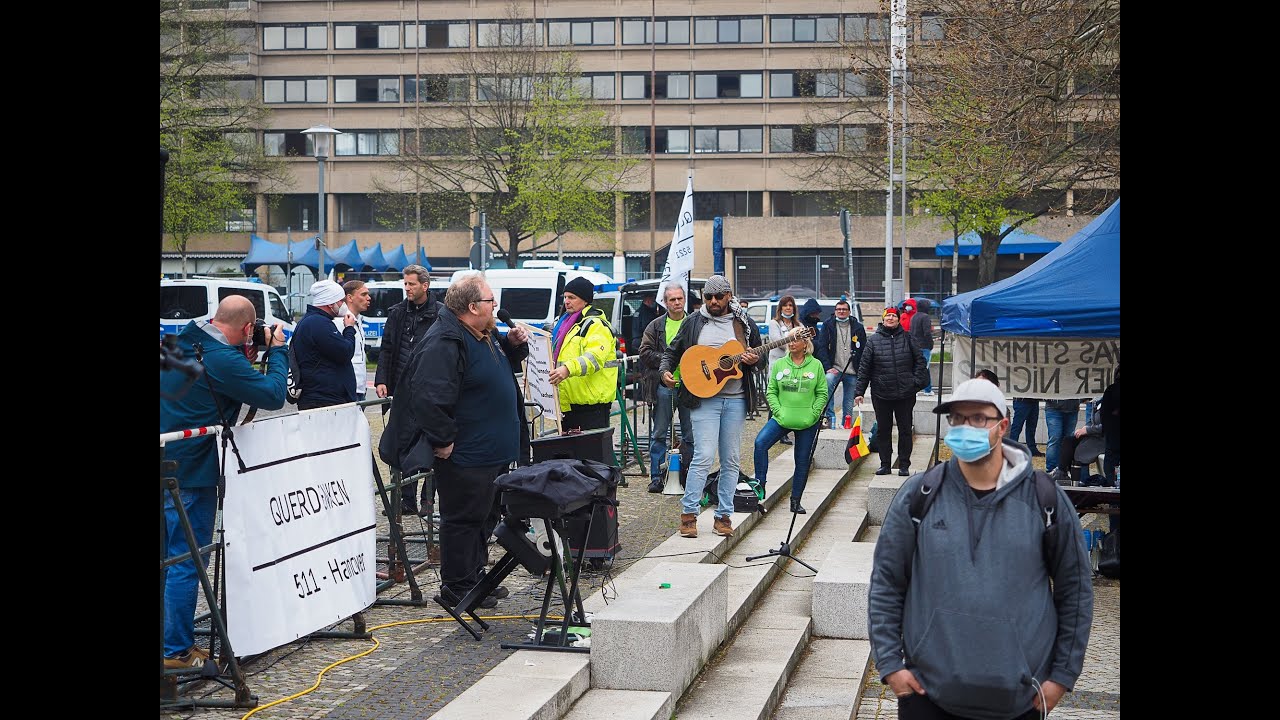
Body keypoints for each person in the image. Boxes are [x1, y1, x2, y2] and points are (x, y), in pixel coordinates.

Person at [868, 378, 1093, 720]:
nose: (965, 428)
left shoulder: (1045, 499)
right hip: (927, 696)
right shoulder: (920, 495)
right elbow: (886, 581)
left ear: (1002, 426)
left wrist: (1062, 675)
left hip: (1020, 700)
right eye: (957, 419)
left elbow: (1075, 588)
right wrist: (889, 662)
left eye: (977, 418)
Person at [160, 296, 289, 669]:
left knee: (169, 558)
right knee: (188, 560)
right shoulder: (222, 360)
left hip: (167, 461)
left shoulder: (177, 343)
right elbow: (273, 395)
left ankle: (169, 642)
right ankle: (176, 652)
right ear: (248, 328)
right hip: (192, 471)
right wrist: (277, 352)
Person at [401, 273, 529, 609]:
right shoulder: (445, 340)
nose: (495, 305)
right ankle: (458, 586)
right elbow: (428, 396)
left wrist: (513, 345)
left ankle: (475, 577)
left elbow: (495, 367)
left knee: (484, 517)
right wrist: (442, 439)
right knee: (463, 520)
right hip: (467, 453)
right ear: (472, 306)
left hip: (491, 451)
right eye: (490, 300)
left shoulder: (482, 332)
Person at [660, 275, 762, 539]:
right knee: (703, 455)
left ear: (729, 296)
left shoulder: (743, 323)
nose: (713, 301)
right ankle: (689, 514)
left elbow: (760, 358)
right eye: (708, 297)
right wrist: (664, 371)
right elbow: (672, 352)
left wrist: (754, 360)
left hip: (736, 398)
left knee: (731, 458)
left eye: (718, 297)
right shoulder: (694, 321)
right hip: (703, 399)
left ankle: (724, 516)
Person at [374, 264, 441, 514]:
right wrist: (382, 379)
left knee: (431, 443)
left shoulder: (441, 313)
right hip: (402, 391)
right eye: (405, 284)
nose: (407, 288)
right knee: (403, 444)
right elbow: (387, 348)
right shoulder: (397, 313)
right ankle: (407, 500)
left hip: (431, 391)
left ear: (425, 285)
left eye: (411, 284)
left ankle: (427, 499)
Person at [754, 335, 827, 514]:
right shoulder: (780, 364)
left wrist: (813, 414)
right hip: (782, 418)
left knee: (802, 461)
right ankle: (760, 485)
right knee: (760, 443)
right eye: (790, 339)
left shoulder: (816, 365)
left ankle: (796, 501)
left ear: (805, 344)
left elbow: (822, 393)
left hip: (807, 421)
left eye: (796, 340)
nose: (791, 343)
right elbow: (771, 391)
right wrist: (778, 411)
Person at [853, 307, 928, 477]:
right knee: (883, 431)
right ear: (883, 319)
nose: (891, 318)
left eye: (894, 316)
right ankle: (885, 464)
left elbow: (920, 361)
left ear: (899, 319)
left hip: (905, 394)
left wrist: (915, 383)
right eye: (888, 316)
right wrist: (859, 392)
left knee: (905, 430)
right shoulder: (873, 341)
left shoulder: (908, 338)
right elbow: (864, 367)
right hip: (881, 394)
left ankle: (904, 464)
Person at [639, 284, 693, 493]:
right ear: (665, 302)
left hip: (690, 386)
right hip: (664, 385)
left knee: (690, 434)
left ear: (684, 299)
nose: (677, 303)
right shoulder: (655, 326)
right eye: (672, 299)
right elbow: (644, 351)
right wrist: (668, 361)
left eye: (680, 298)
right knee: (659, 433)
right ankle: (656, 477)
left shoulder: (694, 322)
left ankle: (688, 475)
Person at [548, 276, 618, 431]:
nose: (567, 301)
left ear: (585, 300)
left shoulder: (596, 325)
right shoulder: (564, 323)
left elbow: (594, 358)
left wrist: (567, 369)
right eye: (565, 297)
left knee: (590, 447)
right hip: (569, 404)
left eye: (572, 297)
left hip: (591, 406)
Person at [293, 279, 358, 410]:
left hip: (324, 397)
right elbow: (345, 352)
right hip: (323, 399)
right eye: (341, 301)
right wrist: (349, 329)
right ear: (330, 303)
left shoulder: (314, 321)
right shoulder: (318, 323)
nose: (343, 305)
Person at [816, 298, 866, 430]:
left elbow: (864, 349)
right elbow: (822, 347)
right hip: (835, 368)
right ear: (835, 311)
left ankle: (846, 425)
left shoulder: (858, 327)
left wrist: (861, 369)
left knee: (849, 401)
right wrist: (828, 367)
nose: (841, 311)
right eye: (838, 309)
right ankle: (830, 419)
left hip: (852, 370)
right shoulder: (828, 325)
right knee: (828, 383)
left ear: (849, 311)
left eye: (844, 309)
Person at [767, 295, 803, 444]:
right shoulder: (774, 323)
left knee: (788, 398)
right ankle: (772, 431)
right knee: (775, 398)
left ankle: (786, 431)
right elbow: (777, 341)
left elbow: (805, 341)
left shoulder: (798, 324)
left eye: (790, 305)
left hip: (794, 366)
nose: (788, 308)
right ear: (780, 308)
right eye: (785, 305)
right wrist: (794, 344)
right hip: (778, 365)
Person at [335, 280, 371, 401]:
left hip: (360, 388)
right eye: (363, 294)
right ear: (349, 297)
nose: (368, 298)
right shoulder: (340, 322)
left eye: (368, 294)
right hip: (347, 389)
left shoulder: (358, 320)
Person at [1044, 397, 1088, 473]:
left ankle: (1062, 470)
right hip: (1054, 408)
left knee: (1066, 441)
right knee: (1055, 439)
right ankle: (1051, 470)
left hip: (1071, 409)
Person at [907, 298, 935, 395]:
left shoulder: (914, 317)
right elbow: (927, 333)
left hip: (915, 346)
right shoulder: (925, 317)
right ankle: (927, 390)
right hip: (924, 346)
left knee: (916, 368)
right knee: (924, 368)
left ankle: (916, 388)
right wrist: (931, 344)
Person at [631, 291, 662, 356]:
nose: (653, 302)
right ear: (648, 300)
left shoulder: (638, 311)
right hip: (643, 341)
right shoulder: (646, 313)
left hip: (636, 341)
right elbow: (646, 327)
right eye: (653, 300)